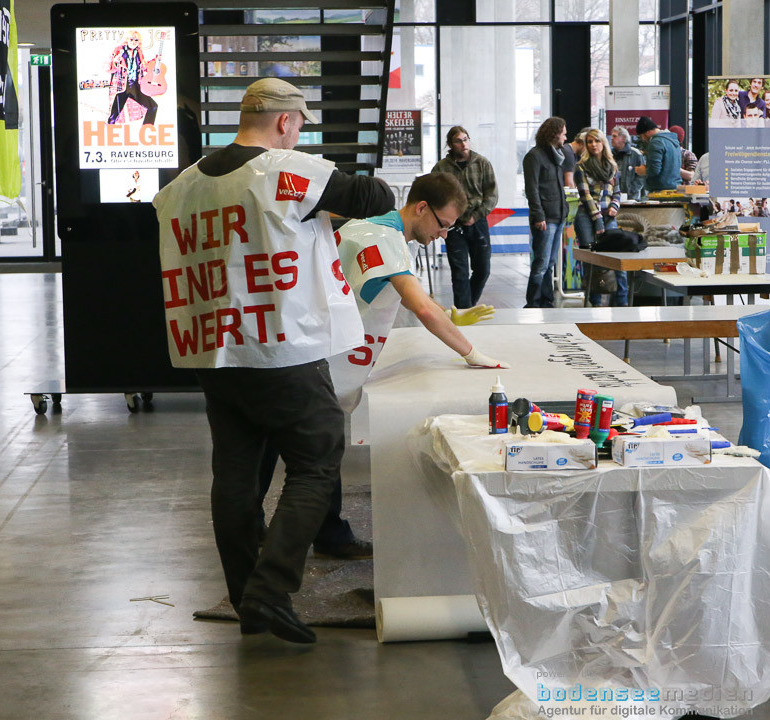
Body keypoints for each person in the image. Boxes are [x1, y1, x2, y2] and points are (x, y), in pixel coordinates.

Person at [153, 77, 395, 644]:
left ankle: (245, 598)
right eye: (300, 127)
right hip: (279, 345)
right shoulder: (284, 171)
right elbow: (376, 198)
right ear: (285, 122)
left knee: (235, 475)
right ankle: (270, 588)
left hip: (214, 350)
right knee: (317, 457)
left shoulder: (182, 187)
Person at [253, 174, 508, 559]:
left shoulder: (370, 226)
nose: (443, 235)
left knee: (279, 440)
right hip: (311, 355)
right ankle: (312, 538)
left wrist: (451, 314)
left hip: (298, 346)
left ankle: (278, 527)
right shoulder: (386, 240)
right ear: (421, 208)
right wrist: (471, 352)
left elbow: (412, 297)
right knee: (319, 450)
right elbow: (419, 306)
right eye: (443, 224)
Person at [431, 126, 499, 310]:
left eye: (466, 139)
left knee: (483, 269)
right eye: (458, 141)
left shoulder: (482, 163)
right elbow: (433, 195)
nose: (463, 144)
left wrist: (476, 215)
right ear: (450, 145)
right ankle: (463, 311)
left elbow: (492, 195)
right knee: (459, 272)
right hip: (453, 226)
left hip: (478, 222)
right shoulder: (441, 168)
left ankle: (468, 305)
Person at [573, 129, 625, 307]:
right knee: (590, 259)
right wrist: (598, 219)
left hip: (608, 215)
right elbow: (585, 196)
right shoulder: (581, 166)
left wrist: (614, 206)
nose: (593, 144)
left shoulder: (612, 166)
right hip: (587, 216)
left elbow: (617, 192)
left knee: (617, 258)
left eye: (596, 141)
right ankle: (594, 302)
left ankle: (622, 302)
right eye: (589, 142)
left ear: (603, 143)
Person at [523, 116, 570, 308]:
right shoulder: (534, 156)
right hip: (545, 218)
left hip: (558, 215)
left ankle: (546, 300)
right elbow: (532, 189)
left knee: (550, 263)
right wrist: (539, 215)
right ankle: (533, 303)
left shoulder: (556, 155)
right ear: (555, 133)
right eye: (564, 134)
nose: (566, 138)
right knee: (541, 263)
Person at [107, 31, 158, 125]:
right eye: (131, 39)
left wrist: (155, 60)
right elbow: (109, 67)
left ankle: (147, 130)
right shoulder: (119, 50)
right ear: (127, 40)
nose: (133, 42)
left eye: (136, 40)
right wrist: (115, 61)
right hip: (121, 86)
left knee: (153, 106)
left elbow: (144, 66)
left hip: (135, 86)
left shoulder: (139, 52)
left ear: (139, 42)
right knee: (114, 115)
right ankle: (107, 132)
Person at [636, 117, 681, 193]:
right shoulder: (673, 141)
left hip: (660, 191)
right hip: (675, 188)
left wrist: (643, 170)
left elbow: (654, 170)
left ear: (647, 132)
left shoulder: (656, 142)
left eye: (641, 136)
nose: (643, 139)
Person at [610, 125, 645, 201]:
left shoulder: (636, 154)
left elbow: (642, 175)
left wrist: (632, 190)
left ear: (623, 138)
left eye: (614, 136)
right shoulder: (608, 155)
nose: (611, 138)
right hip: (612, 198)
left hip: (632, 199)